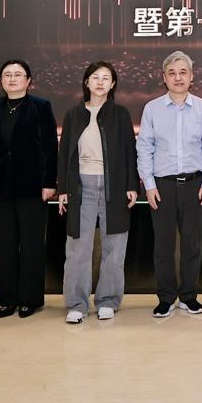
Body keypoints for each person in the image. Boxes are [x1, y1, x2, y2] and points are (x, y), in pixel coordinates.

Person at [137, 50, 202, 318]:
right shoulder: (152, 109)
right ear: (164, 77)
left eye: (183, 72)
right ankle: (165, 298)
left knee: (192, 245)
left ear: (191, 77)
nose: (178, 77)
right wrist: (149, 185)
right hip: (161, 186)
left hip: (195, 185)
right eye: (172, 73)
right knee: (163, 246)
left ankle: (188, 296)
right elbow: (144, 148)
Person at [57, 62, 138, 324]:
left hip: (114, 185)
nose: (100, 82)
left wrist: (131, 185)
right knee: (78, 248)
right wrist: (63, 189)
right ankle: (76, 304)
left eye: (106, 78)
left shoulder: (121, 114)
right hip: (81, 185)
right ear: (86, 82)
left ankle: (108, 301)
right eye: (95, 77)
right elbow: (64, 154)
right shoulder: (74, 114)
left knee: (114, 246)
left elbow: (129, 151)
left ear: (113, 84)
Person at [0, 58, 58, 319]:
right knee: (6, 244)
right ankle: (8, 299)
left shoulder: (41, 106)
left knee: (32, 244)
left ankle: (29, 300)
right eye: (7, 75)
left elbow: (50, 146)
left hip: (32, 186)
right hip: (0, 187)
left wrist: (49, 182)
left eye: (18, 74)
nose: (12, 79)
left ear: (28, 80)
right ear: (0, 80)